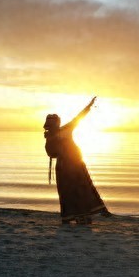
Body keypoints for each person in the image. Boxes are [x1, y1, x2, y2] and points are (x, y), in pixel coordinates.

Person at [43, 96, 111, 224]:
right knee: (77, 189)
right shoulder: (55, 134)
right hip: (71, 165)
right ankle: (79, 216)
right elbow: (51, 153)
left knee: (73, 190)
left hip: (69, 165)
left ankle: (75, 216)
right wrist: (89, 106)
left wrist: (89, 106)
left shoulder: (53, 134)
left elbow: (51, 154)